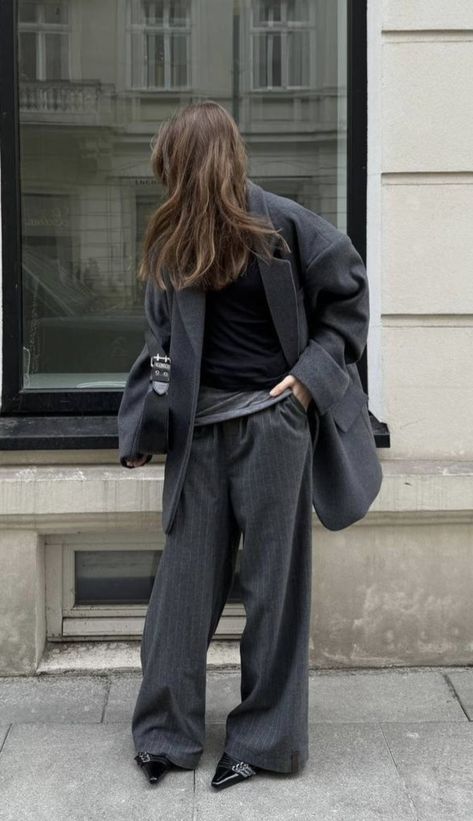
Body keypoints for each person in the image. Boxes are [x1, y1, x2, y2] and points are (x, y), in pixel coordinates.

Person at [118, 100, 382, 790]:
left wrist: (304, 384)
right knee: (181, 586)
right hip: (197, 435)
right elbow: (160, 348)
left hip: (272, 428)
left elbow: (348, 300)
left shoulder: (283, 226)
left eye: (170, 166)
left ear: (195, 162)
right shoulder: (171, 241)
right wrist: (143, 428)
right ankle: (165, 735)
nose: (164, 180)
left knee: (274, 588)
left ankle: (263, 742)